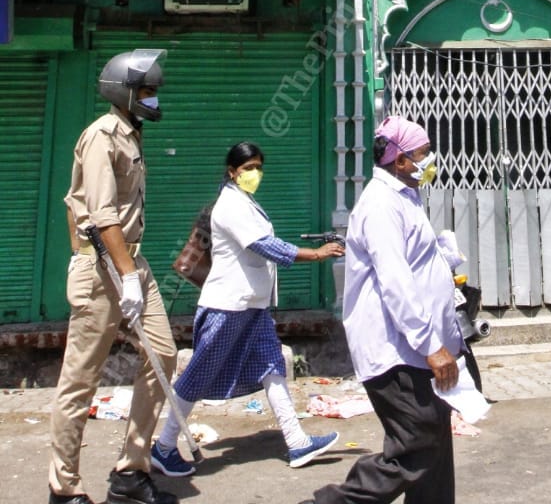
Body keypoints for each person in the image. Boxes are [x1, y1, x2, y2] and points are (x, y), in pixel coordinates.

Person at [151, 141, 344, 475]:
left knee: (272, 367)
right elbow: (263, 245)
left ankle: (297, 442)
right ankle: (163, 447)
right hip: (228, 306)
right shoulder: (230, 206)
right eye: (248, 168)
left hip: (252, 306)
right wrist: (316, 254)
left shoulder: (245, 202)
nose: (255, 173)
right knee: (198, 374)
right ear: (232, 172)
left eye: (258, 167)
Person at [307, 115, 464, 504]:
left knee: (436, 446)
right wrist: (431, 345)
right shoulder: (380, 205)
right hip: (396, 350)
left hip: (418, 346)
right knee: (417, 444)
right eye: (423, 154)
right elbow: (396, 282)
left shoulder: (404, 197)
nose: (430, 161)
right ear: (400, 161)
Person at [48, 48, 179, 504]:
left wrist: (132, 273)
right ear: (123, 91)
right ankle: (63, 488)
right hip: (101, 265)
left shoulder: (131, 133)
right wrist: (125, 279)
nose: (153, 98)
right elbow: (103, 216)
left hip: (131, 263)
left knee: (163, 355)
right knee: (80, 380)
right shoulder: (102, 136)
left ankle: (131, 471)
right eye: (146, 90)